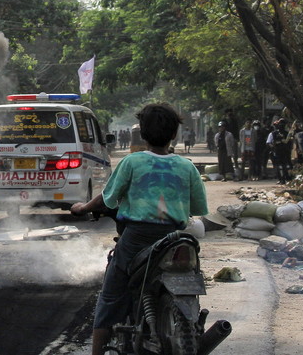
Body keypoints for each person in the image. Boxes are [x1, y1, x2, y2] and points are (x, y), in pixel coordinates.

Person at [70, 103, 208, 355]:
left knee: (110, 297)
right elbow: (198, 207)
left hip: (136, 240)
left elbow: (106, 199)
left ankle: (98, 352)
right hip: (175, 239)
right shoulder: (187, 167)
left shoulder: (132, 162)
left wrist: (82, 207)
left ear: (142, 134)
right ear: (174, 134)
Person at [267, 119, 292, 184]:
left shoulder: (287, 133)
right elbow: (269, 142)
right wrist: (274, 147)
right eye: (280, 124)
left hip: (285, 152)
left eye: (283, 124)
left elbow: (290, 142)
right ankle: (280, 179)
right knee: (278, 166)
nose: (281, 125)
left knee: (286, 165)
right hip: (277, 152)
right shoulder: (273, 133)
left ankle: (287, 178)